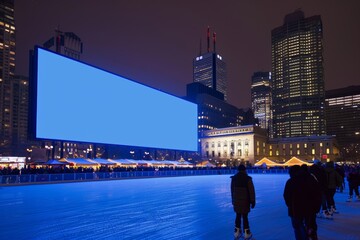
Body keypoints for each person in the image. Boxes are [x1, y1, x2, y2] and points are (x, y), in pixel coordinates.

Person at [284, 165, 322, 240]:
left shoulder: (291, 181)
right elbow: (318, 195)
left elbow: (286, 196)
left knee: (298, 228)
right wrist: (316, 208)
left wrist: (291, 206)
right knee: (310, 228)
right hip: (309, 210)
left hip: (295, 211)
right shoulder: (311, 179)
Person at [231, 164, 256, 240]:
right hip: (245, 201)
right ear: (245, 170)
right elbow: (251, 191)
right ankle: (246, 233)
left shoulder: (234, 178)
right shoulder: (248, 179)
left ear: (238, 170)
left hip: (237, 201)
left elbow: (232, 191)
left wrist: (233, 200)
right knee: (245, 217)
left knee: (238, 216)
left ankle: (237, 232)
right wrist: (253, 201)